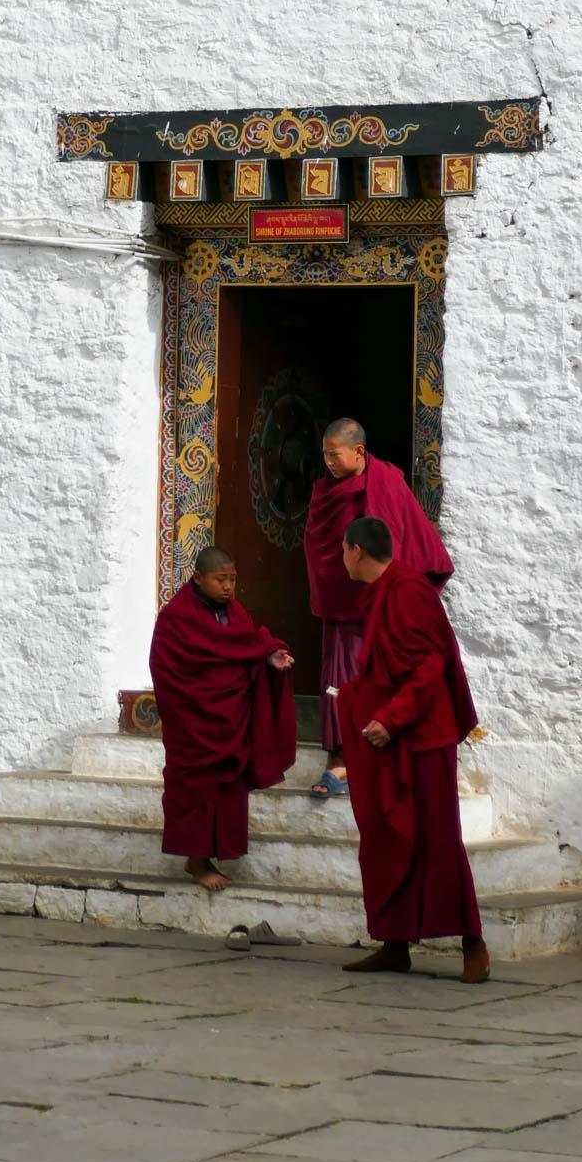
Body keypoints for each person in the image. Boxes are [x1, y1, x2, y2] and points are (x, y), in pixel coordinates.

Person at [336, 516, 489, 983]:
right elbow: (389, 667)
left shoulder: (407, 591)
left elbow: (429, 664)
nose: (342, 558)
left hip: (423, 737)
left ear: (356, 551)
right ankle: (394, 942)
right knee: (386, 835)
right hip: (395, 734)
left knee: (438, 840)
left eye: (343, 550)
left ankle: (472, 942)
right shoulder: (382, 593)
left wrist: (391, 717)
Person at [303, 417, 454, 800]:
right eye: (325, 456)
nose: (329, 463)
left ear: (358, 451)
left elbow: (408, 535)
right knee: (340, 677)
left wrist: (397, 591)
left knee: (379, 676)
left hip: (380, 605)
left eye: (335, 455)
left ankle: (375, 751)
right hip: (343, 605)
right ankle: (339, 757)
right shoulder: (325, 491)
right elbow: (319, 547)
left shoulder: (388, 483)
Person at [150, 546, 296, 891]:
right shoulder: (176, 619)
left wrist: (270, 660)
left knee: (228, 788)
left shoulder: (237, 613)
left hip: (230, 721)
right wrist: (194, 702)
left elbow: (248, 648)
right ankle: (197, 861)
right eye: (220, 580)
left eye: (232, 580)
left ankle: (209, 854)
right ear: (198, 578)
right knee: (196, 789)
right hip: (195, 722)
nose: (228, 587)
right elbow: (164, 668)